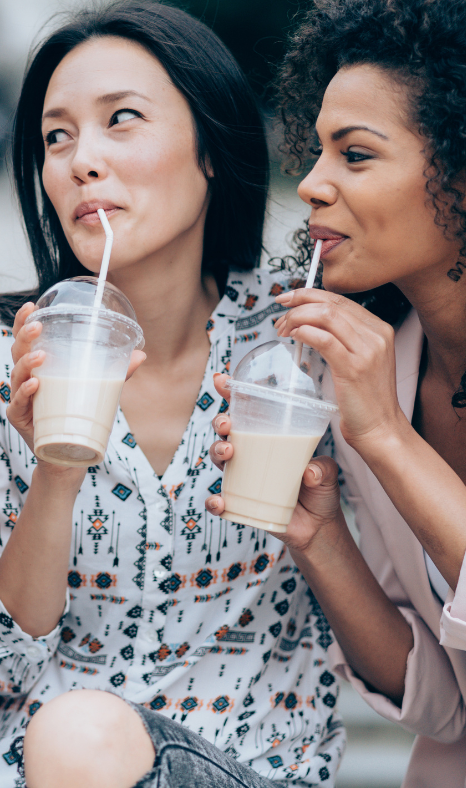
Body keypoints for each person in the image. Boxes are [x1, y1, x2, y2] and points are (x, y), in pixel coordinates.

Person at [0, 3, 344, 787]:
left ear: (211, 147)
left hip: (248, 765)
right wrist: (54, 470)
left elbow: (390, 647)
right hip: (33, 769)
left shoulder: (302, 346)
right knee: (77, 735)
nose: (82, 160)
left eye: (122, 120)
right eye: (57, 136)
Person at [207, 0, 466, 785]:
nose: (312, 184)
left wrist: (390, 439)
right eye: (316, 152)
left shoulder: (375, 408)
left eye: (354, 155)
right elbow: (439, 706)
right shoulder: (369, 371)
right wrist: (320, 539)